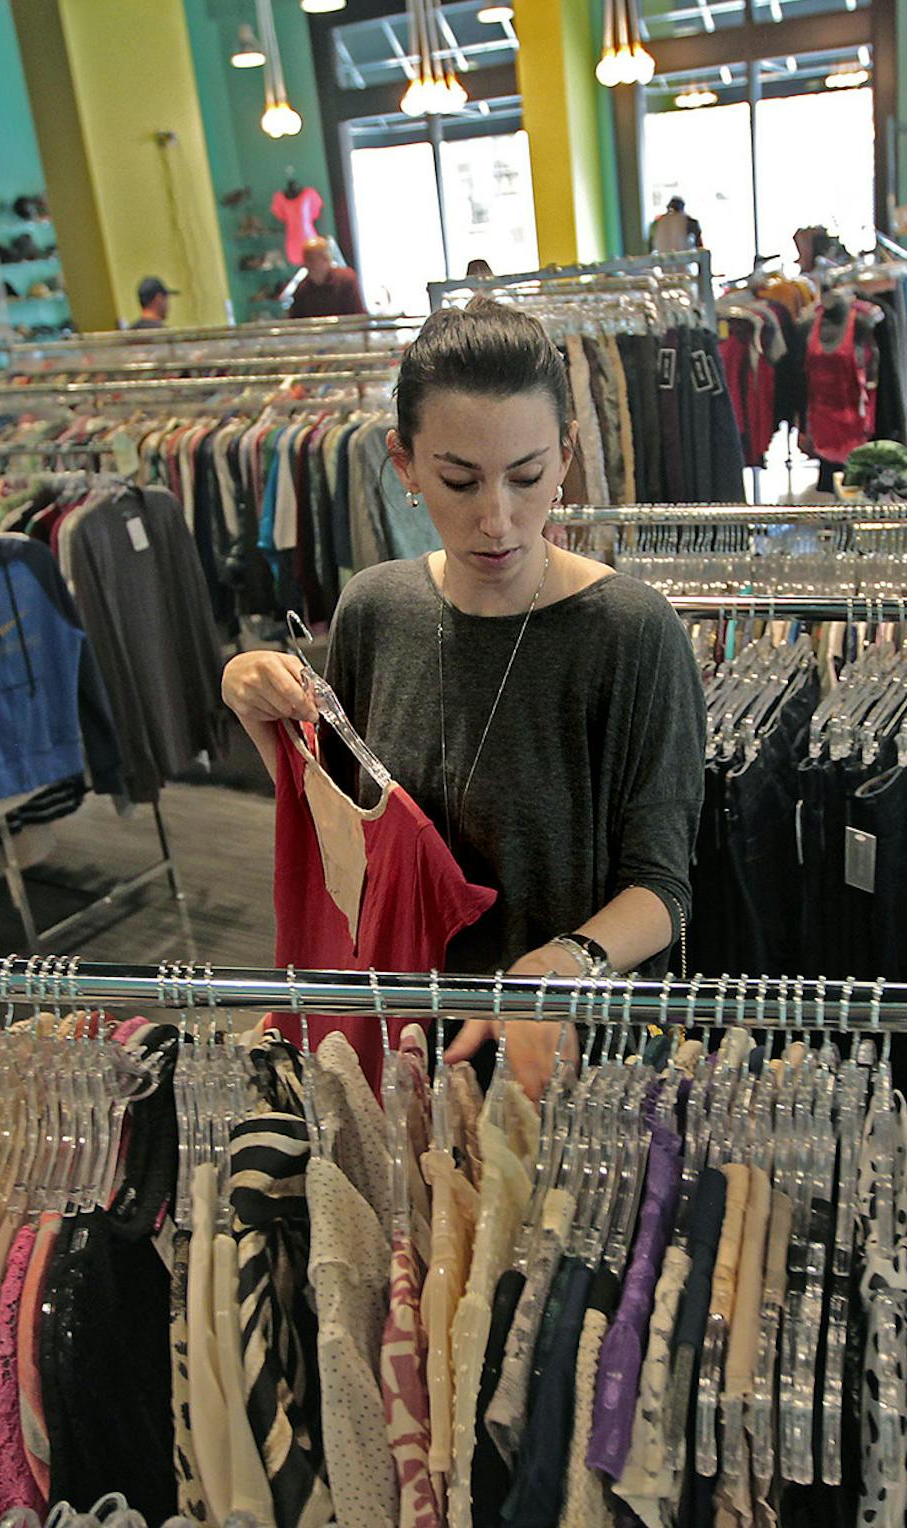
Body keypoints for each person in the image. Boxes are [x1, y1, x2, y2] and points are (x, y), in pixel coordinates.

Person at [221, 301, 704, 1097]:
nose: (497, 519)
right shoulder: (376, 609)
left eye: (527, 476)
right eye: (459, 480)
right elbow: (348, 843)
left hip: (555, 1054)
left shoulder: (628, 631)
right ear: (404, 466)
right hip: (394, 1042)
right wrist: (255, 708)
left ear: (567, 455)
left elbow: (663, 885)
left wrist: (562, 964)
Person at [287, 237, 367, 319]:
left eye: (312, 259)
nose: (308, 264)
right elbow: (296, 320)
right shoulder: (302, 289)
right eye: (307, 259)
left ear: (327, 259)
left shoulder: (346, 280)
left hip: (345, 330)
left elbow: (357, 316)